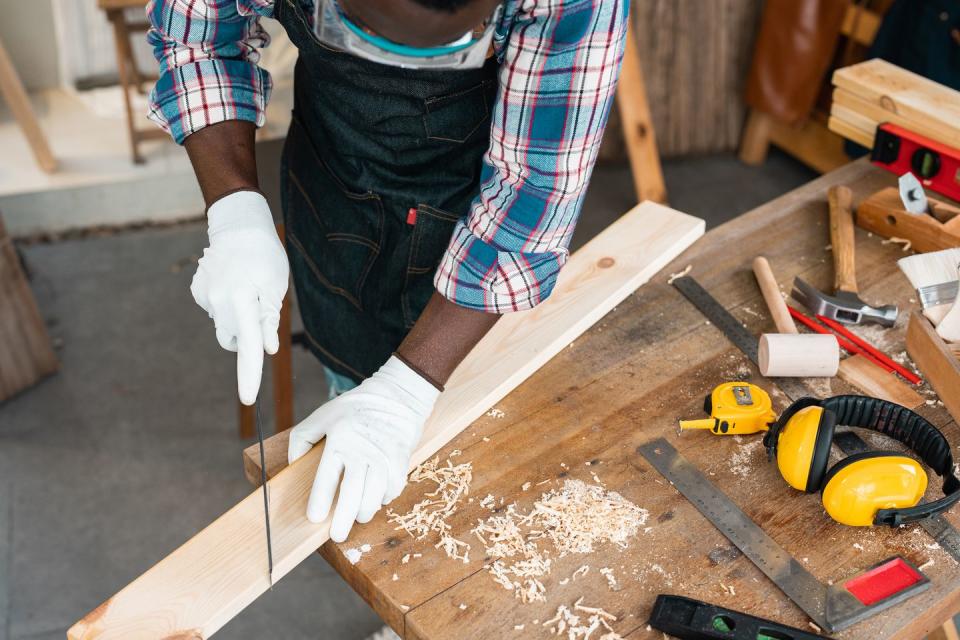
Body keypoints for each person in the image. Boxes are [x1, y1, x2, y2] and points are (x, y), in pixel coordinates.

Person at [148, 0, 628, 542]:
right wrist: (235, 211)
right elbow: (199, 41)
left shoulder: (575, 5)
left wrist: (404, 392)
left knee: (461, 444)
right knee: (359, 446)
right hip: (332, 181)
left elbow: (534, 187)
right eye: (361, 34)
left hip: (470, 217)